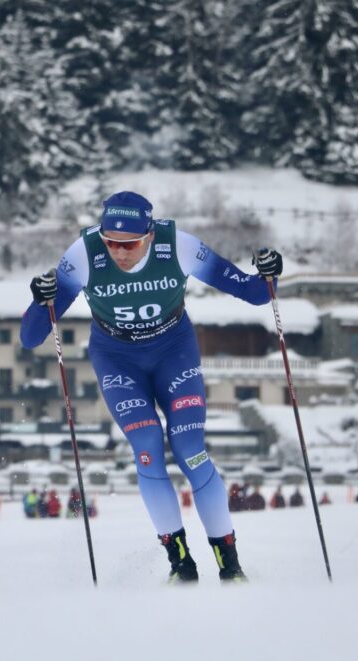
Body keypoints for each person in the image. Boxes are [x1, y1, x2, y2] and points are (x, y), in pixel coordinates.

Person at [21, 191, 283, 583]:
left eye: (128, 244)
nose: (118, 252)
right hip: (116, 359)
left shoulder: (178, 245)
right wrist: (40, 302)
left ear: (149, 234)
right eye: (110, 242)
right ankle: (181, 563)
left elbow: (255, 293)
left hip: (173, 352)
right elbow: (30, 336)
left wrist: (270, 272)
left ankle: (229, 563)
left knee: (191, 450)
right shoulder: (82, 254)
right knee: (147, 447)